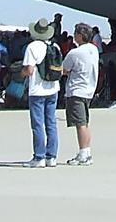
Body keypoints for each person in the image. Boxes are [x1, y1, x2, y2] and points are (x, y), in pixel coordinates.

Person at [21, 16, 62, 168]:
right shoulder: (55, 46)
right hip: (53, 88)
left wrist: (22, 73)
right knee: (51, 123)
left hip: (37, 90)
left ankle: (39, 157)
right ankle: (52, 156)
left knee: (38, 124)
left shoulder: (32, 47)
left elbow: (29, 70)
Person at [59, 24, 99, 166]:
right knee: (85, 123)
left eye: (76, 33)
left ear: (80, 36)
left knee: (80, 124)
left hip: (76, 90)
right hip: (89, 90)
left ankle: (83, 153)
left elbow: (64, 69)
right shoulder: (94, 49)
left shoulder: (75, 53)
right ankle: (86, 152)